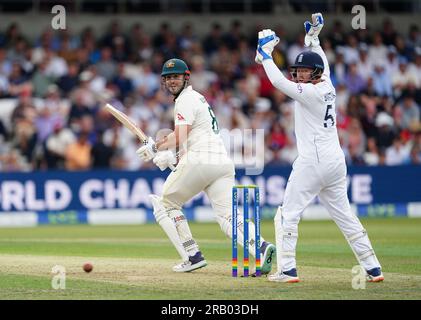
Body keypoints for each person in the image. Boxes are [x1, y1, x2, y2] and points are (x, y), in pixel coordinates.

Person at [255, 13, 384, 283]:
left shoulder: (311, 92)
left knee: (286, 215)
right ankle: (373, 267)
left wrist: (265, 54)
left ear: (314, 74)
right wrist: (313, 40)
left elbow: (278, 83)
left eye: (304, 71)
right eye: (298, 71)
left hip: (313, 161)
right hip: (335, 161)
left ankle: (287, 270)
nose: (300, 75)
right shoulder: (327, 84)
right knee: (345, 216)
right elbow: (322, 62)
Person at [136, 58, 276, 273]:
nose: (172, 81)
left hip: (202, 159)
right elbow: (194, 136)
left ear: (186, 77)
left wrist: (157, 148)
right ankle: (262, 247)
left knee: (167, 203)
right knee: (227, 217)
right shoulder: (198, 98)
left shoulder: (184, 99)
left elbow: (181, 136)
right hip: (221, 162)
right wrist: (170, 155)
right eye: (168, 78)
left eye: (176, 76)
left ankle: (192, 255)